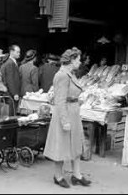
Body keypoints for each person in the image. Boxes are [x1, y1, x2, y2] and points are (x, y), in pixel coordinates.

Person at [44, 48, 91, 188]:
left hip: (74, 112)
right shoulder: (62, 75)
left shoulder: (71, 74)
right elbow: (59, 101)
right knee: (61, 146)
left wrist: (77, 100)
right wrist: (65, 121)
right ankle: (58, 176)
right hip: (64, 114)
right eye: (78, 59)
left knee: (76, 144)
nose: (80, 62)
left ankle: (77, 175)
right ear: (71, 60)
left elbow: (71, 93)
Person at [0, 45, 21, 116]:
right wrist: (14, 93)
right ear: (11, 52)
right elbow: (10, 79)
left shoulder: (11, 62)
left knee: (12, 111)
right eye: (17, 52)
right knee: (11, 112)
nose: (19, 54)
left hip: (10, 92)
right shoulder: (10, 63)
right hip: (11, 93)